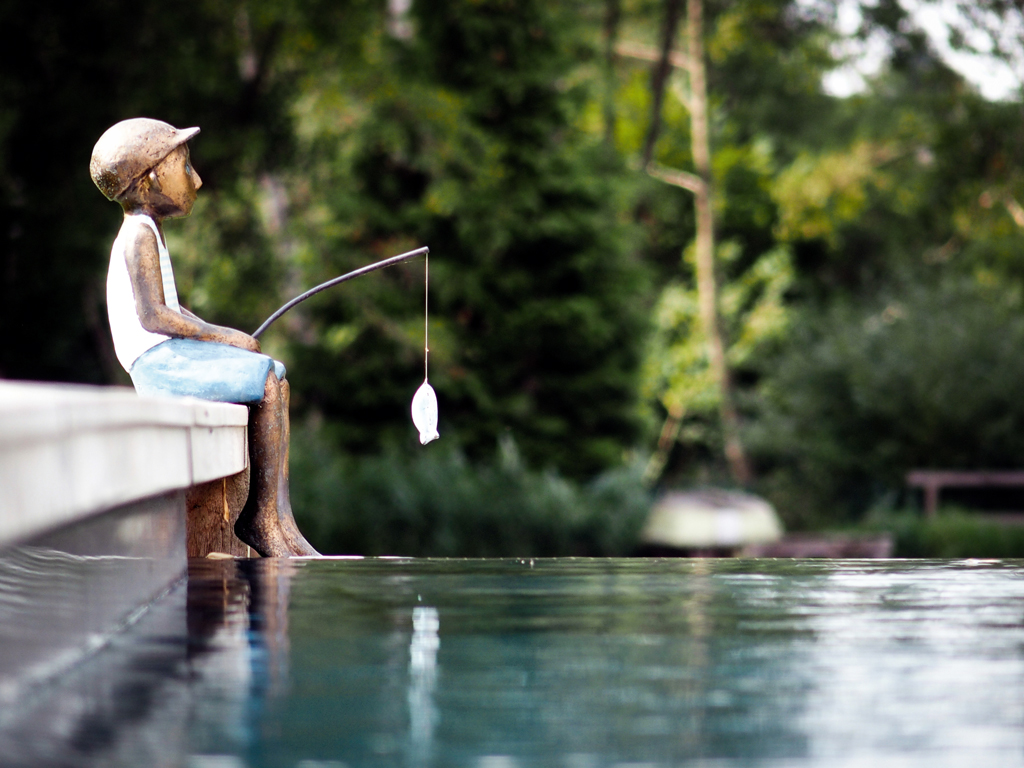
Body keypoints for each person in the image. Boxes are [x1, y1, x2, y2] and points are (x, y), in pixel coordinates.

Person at [91, 117, 317, 557]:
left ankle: (281, 519)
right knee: (267, 377)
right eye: (184, 165)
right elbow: (155, 317)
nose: (195, 178)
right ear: (153, 176)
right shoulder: (138, 235)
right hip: (158, 364)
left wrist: (219, 339)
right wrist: (223, 336)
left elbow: (172, 312)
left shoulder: (146, 231)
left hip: (167, 355)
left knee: (275, 377)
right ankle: (263, 519)